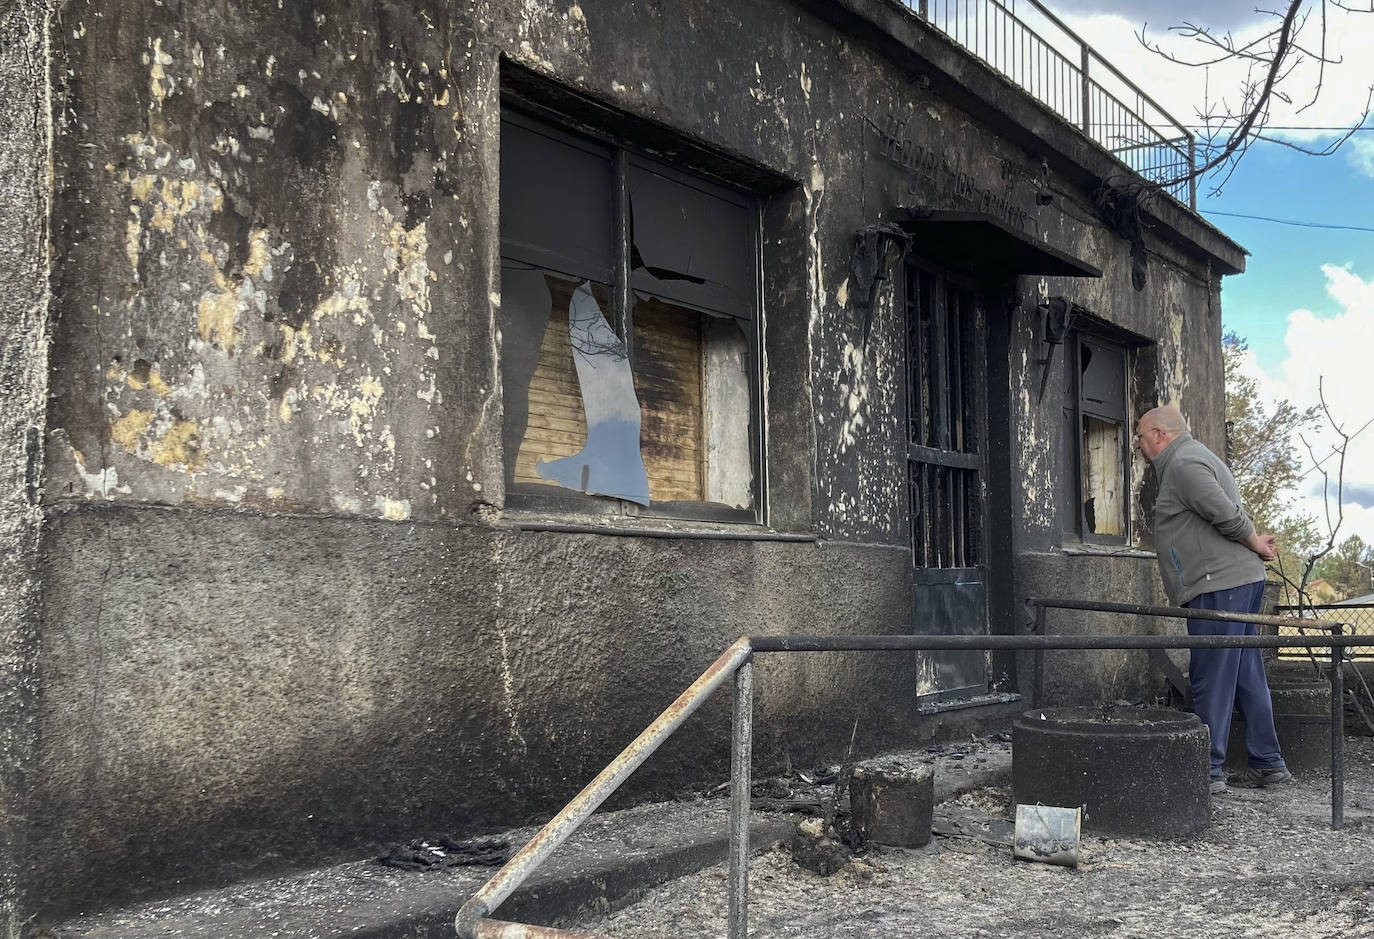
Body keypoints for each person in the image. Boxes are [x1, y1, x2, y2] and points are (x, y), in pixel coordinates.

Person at [1135, 405, 1291, 795]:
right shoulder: (1193, 457)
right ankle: (1268, 763)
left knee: (1211, 675)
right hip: (1234, 580)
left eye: (1139, 436)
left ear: (1159, 435)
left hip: (1219, 584)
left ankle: (1206, 769)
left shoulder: (1184, 463)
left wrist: (1254, 540)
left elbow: (1223, 511)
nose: (1137, 444)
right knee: (1243, 673)